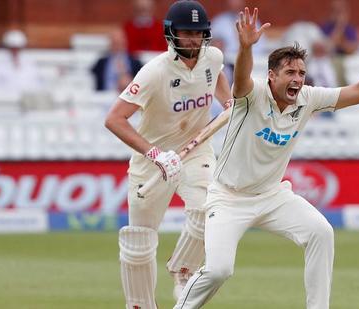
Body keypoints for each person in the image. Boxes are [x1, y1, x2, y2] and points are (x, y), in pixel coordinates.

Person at [174, 7, 359, 309]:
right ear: (271, 76)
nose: (297, 79)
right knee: (219, 270)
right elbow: (241, 77)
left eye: (301, 73)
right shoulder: (252, 95)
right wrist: (245, 47)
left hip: (272, 196)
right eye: (290, 73)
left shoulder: (308, 98)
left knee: (321, 232)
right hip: (229, 198)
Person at [104, 1, 233, 308]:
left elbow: (223, 88)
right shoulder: (154, 72)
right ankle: (140, 305)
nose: (192, 39)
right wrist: (154, 153)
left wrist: (230, 103)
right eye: (185, 33)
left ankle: (184, 269)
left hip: (195, 150)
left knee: (207, 209)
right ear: (171, 33)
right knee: (139, 242)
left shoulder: (213, 58)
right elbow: (114, 119)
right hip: (154, 160)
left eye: (198, 33)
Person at [211, 0, 268, 82]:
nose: (235, 2)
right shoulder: (219, 22)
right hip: (227, 65)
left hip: (253, 64)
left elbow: (261, 48)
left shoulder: (252, 21)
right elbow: (214, 50)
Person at [0, 29, 43, 98]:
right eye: (12, 48)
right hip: (5, 101)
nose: (15, 51)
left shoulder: (31, 66)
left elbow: (37, 85)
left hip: (27, 101)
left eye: (17, 48)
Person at [320, 0, 359, 86]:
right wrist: (339, 27)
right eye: (335, 11)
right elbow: (328, 47)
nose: (337, 14)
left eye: (340, 11)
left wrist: (340, 42)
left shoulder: (350, 29)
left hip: (345, 59)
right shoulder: (325, 27)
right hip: (328, 59)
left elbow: (352, 49)